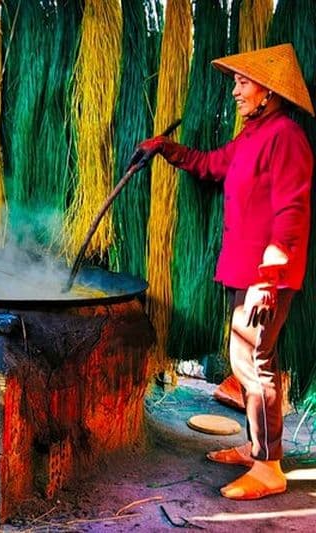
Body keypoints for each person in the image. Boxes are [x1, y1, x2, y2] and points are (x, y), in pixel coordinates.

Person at [136, 43, 313, 500]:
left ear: (269, 92)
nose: (234, 90)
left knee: (256, 364)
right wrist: (168, 150)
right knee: (245, 362)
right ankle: (258, 449)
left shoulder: (287, 136)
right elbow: (211, 165)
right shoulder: (253, 136)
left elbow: (292, 211)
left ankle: (269, 467)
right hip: (245, 268)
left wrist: (271, 278)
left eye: (242, 81)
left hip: (266, 274)